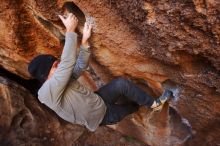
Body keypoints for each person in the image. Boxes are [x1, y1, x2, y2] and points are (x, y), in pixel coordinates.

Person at [28, 13, 174, 132]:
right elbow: (68, 63)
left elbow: (79, 66)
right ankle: (137, 105)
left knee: (121, 84)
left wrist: (84, 42)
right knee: (130, 107)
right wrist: (70, 31)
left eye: (58, 62)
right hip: (102, 116)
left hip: (97, 100)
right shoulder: (47, 93)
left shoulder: (62, 78)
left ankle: (154, 104)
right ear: (45, 75)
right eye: (55, 65)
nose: (59, 65)